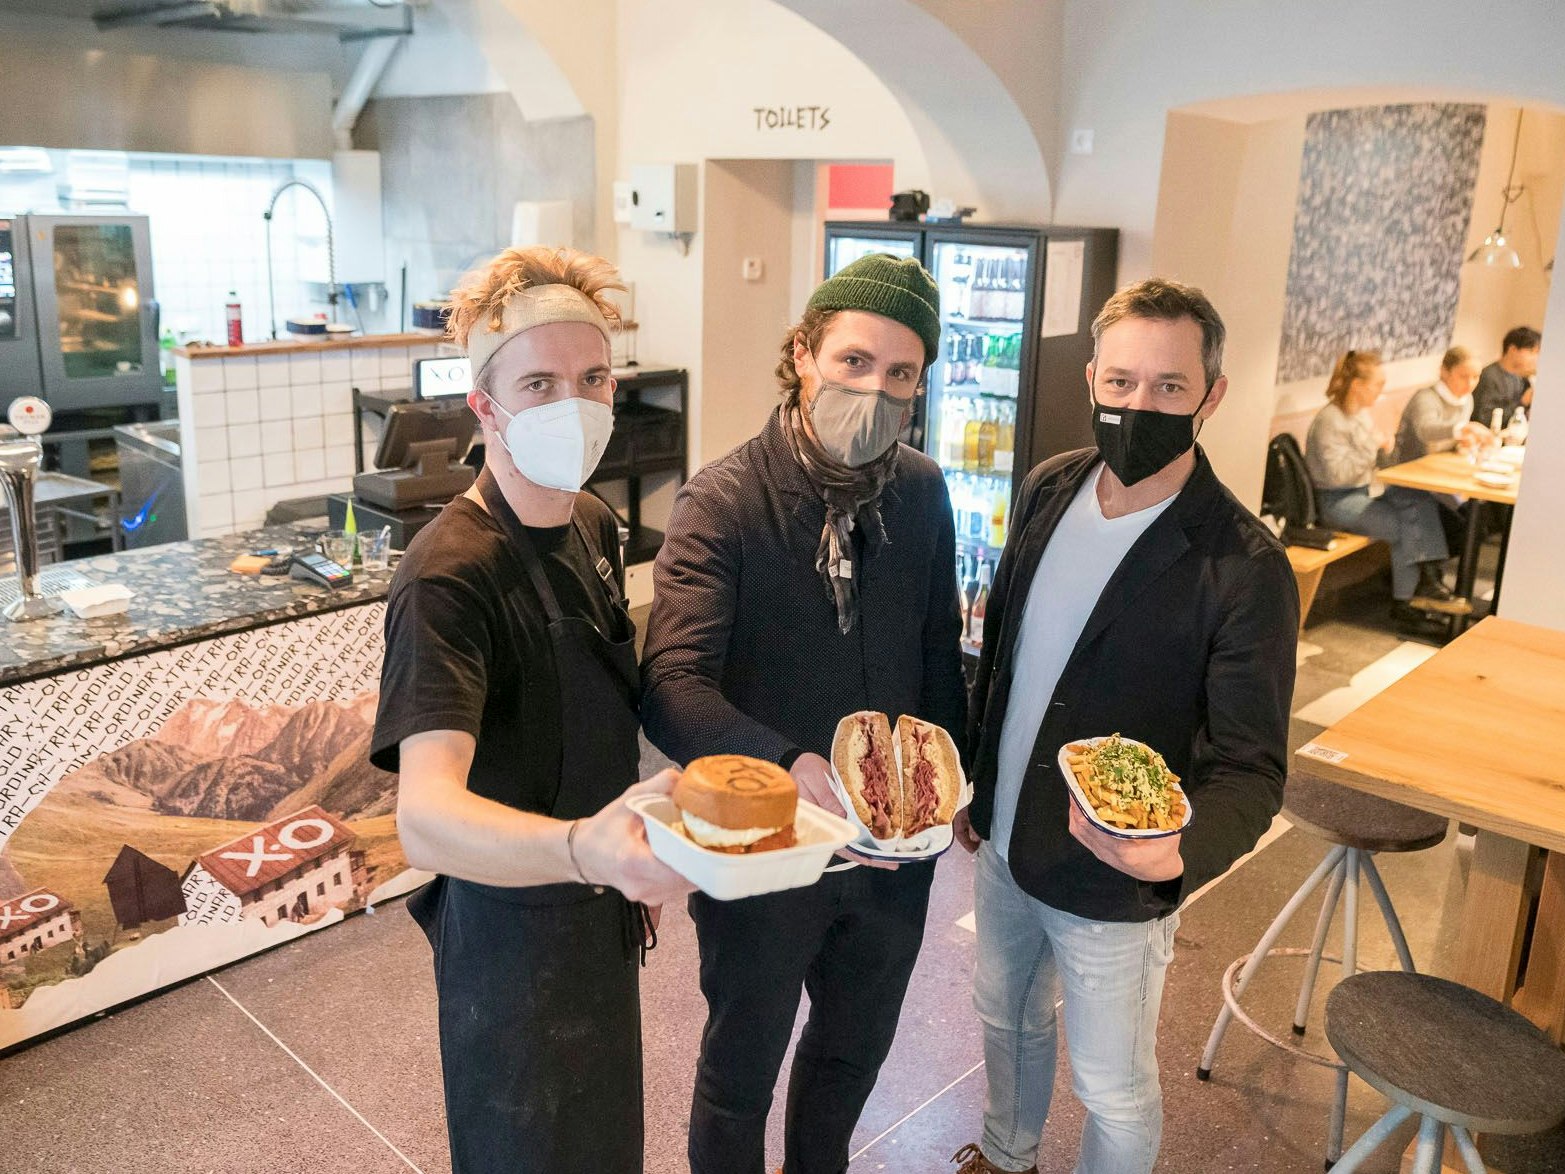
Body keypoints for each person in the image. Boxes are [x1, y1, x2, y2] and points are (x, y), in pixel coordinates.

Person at [950, 278, 1298, 1174]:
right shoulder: (1047, 488)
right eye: (1120, 383)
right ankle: (1005, 1151)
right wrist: (975, 782)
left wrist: (1176, 857)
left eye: (1168, 388)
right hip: (1002, 838)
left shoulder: (1242, 566)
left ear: (1209, 397)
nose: (1137, 405)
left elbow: (1250, 768)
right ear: (1092, 380)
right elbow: (1005, 657)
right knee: (1003, 1012)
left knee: (1111, 1085)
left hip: (1115, 879)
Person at [641, 254, 967, 1174]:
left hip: (894, 851)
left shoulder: (920, 491)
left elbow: (937, 651)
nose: (874, 389)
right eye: (854, 361)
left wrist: (950, 793)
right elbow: (670, 680)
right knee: (740, 1069)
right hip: (766, 849)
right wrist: (784, 763)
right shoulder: (725, 500)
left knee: (849, 1056)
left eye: (899, 374)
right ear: (803, 352)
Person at [370, 245, 693, 1173]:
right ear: (485, 405)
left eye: (593, 378)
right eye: (540, 383)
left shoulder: (592, 522)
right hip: (508, 935)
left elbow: (589, 706)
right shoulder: (447, 577)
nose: (573, 405)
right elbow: (426, 820)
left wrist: (636, 834)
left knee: (602, 1144)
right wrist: (578, 848)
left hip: (596, 911)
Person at [1306, 349, 1457, 629]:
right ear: (1357, 385)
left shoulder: (1360, 415)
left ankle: (1429, 579)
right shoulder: (1331, 421)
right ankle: (1407, 601)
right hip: (1337, 501)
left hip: (1364, 491)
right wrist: (1373, 448)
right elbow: (1335, 475)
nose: (1381, 392)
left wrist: (1381, 450)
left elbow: (1373, 460)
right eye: (1377, 385)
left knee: (1420, 501)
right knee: (1403, 526)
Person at [1392, 345, 1495, 553]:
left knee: (1478, 525)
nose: (1470, 383)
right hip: (1411, 478)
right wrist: (1463, 430)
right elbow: (1426, 431)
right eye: (1463, 376)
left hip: (1438, 477)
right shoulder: (1426, 398)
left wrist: (1464, 442)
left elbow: (1452, 440)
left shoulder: (1466, 400)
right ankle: (1428, 578)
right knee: (1461, 526)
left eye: (1476, 377)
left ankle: (1434, 574)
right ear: (1444, 372)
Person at [1471, 325, 1540, 431]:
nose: (1535, 358)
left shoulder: (1521, 378)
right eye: (1531, 351)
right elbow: (1483, 418)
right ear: (1512, 350)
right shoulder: (1489, 376)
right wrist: (1522, 402)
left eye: (1537, 353)